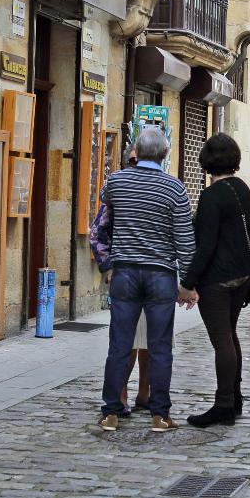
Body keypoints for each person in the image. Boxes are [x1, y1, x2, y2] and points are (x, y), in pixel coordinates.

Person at [97, 127, 197, 434]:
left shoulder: (115, 182)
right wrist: (188, 284)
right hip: (160, 275)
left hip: (125, 271)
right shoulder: (175, 188)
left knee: (119, 344)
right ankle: (159, 416)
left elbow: (105, 216)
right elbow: (185, 240)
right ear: (165, 155)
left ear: (136, 153)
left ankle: (111, 413)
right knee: (160, 347)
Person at [182, 134, 250, 428]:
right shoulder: (242, 188)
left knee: (222, 340)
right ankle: (234, 397)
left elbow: (206, 245)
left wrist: (189, 282)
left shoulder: (213, 195)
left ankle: (224, 403)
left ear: (207, 160)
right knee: (230, 334)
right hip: (241, 275)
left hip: (218, 278)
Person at [89, 146, 149, 415]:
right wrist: (108, 266)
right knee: (127, 339)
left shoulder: (158, 190)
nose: (138, 165)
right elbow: (97, 233)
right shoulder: (116, 193)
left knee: (151, 339)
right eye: (133, 161)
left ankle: (145, 393)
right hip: (125, 276)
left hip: (155, 275)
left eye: (142, 160)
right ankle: (121, 394)